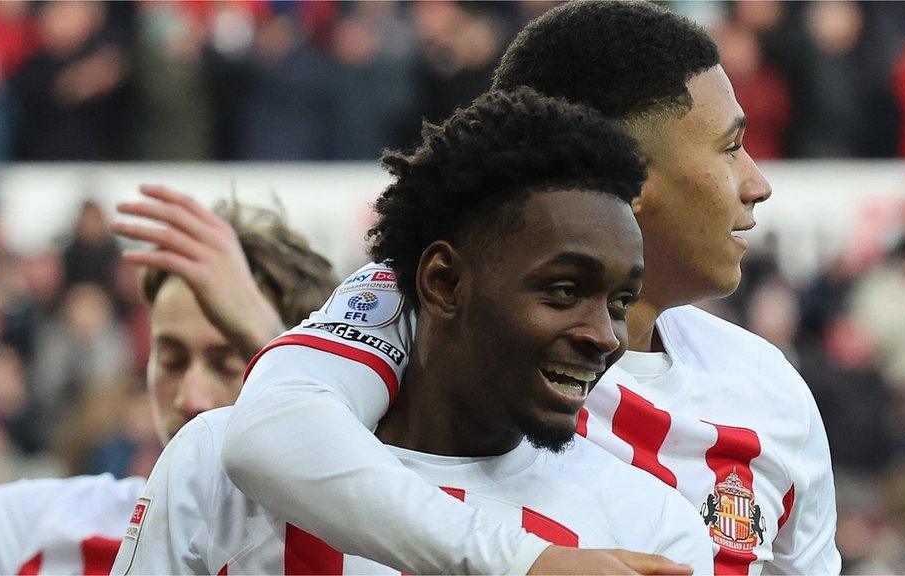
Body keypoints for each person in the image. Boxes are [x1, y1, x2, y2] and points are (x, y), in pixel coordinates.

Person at [221, 2, 842, 575]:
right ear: (625, 172)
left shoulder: (772, 392)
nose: (757, 182)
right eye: (731, 147)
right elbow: (268, 434)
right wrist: (529, 563)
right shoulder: (443, 307)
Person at [112, 88, 710, 576]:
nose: (605, 335)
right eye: (564, 291)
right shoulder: (213, 472)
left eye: (620, 301)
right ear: (444, 282)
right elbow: (267, 432)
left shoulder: (650, 529)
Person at [0, 186, 337, 574]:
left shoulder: (358, 546)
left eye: (229, 364)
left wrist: (271, 338)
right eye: (172, 360)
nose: (191, 397)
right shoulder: (56, 533)